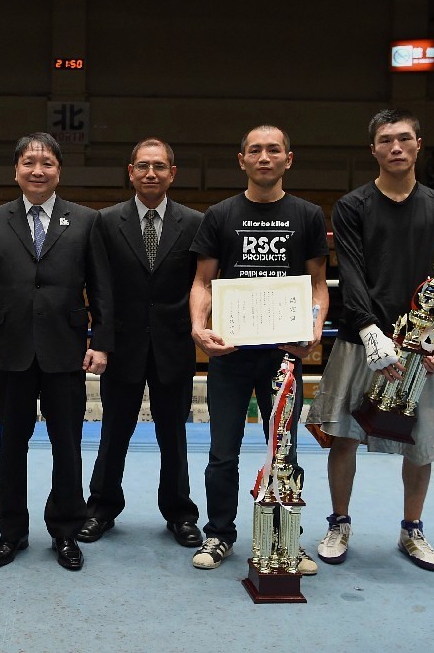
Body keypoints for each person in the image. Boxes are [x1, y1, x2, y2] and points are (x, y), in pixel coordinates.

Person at [307, 109, 434, 572]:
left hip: (422, 344)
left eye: (404, 139)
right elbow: (349, 272)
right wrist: (371, 330)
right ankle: (338, 523)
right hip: (361, 339)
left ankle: (412, 530)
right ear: (373, 148)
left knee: (422, 441)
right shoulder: (353, 206)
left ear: (418, 144)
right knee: (343, 434)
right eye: (386, 140)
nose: (396, 147)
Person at [0, 132, 113, 571]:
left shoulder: (86, 220)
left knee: (66, 446)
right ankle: (11, 533)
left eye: (46, 163)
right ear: (15, 170)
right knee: (11, 447)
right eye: (29, 162)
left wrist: (101, 341)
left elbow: (101, 288)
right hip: (9, 350)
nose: (37, 170)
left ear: (58, 171)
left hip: (65, 350)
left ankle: (66, 532)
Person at [189, 125, 328, 574]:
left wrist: (315, 327)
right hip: (230, 354)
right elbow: (202, 283)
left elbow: (319, 288)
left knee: (284, 452)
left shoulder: (308, 215)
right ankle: (219, 533)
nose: (264, 157)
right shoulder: (219, 214)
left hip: (284, 355)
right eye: (255, 150)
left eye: (273, 150)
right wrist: (197, 327)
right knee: (222, 451)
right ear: (241, 159)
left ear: (290, 158)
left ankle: (288, 538)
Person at [77, 138, 203, 548]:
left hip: (174, 344)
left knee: (174, 435)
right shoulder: (106, 221)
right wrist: (102, 341)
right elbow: (101, 289)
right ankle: (100, 509)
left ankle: (180, 513)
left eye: (160, 167)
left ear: (172, 173)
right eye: (144, 166)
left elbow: (201, 286)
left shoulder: (195, 222)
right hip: (122, 346)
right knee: (114, 431)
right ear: (130, 171)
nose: (152, 173)